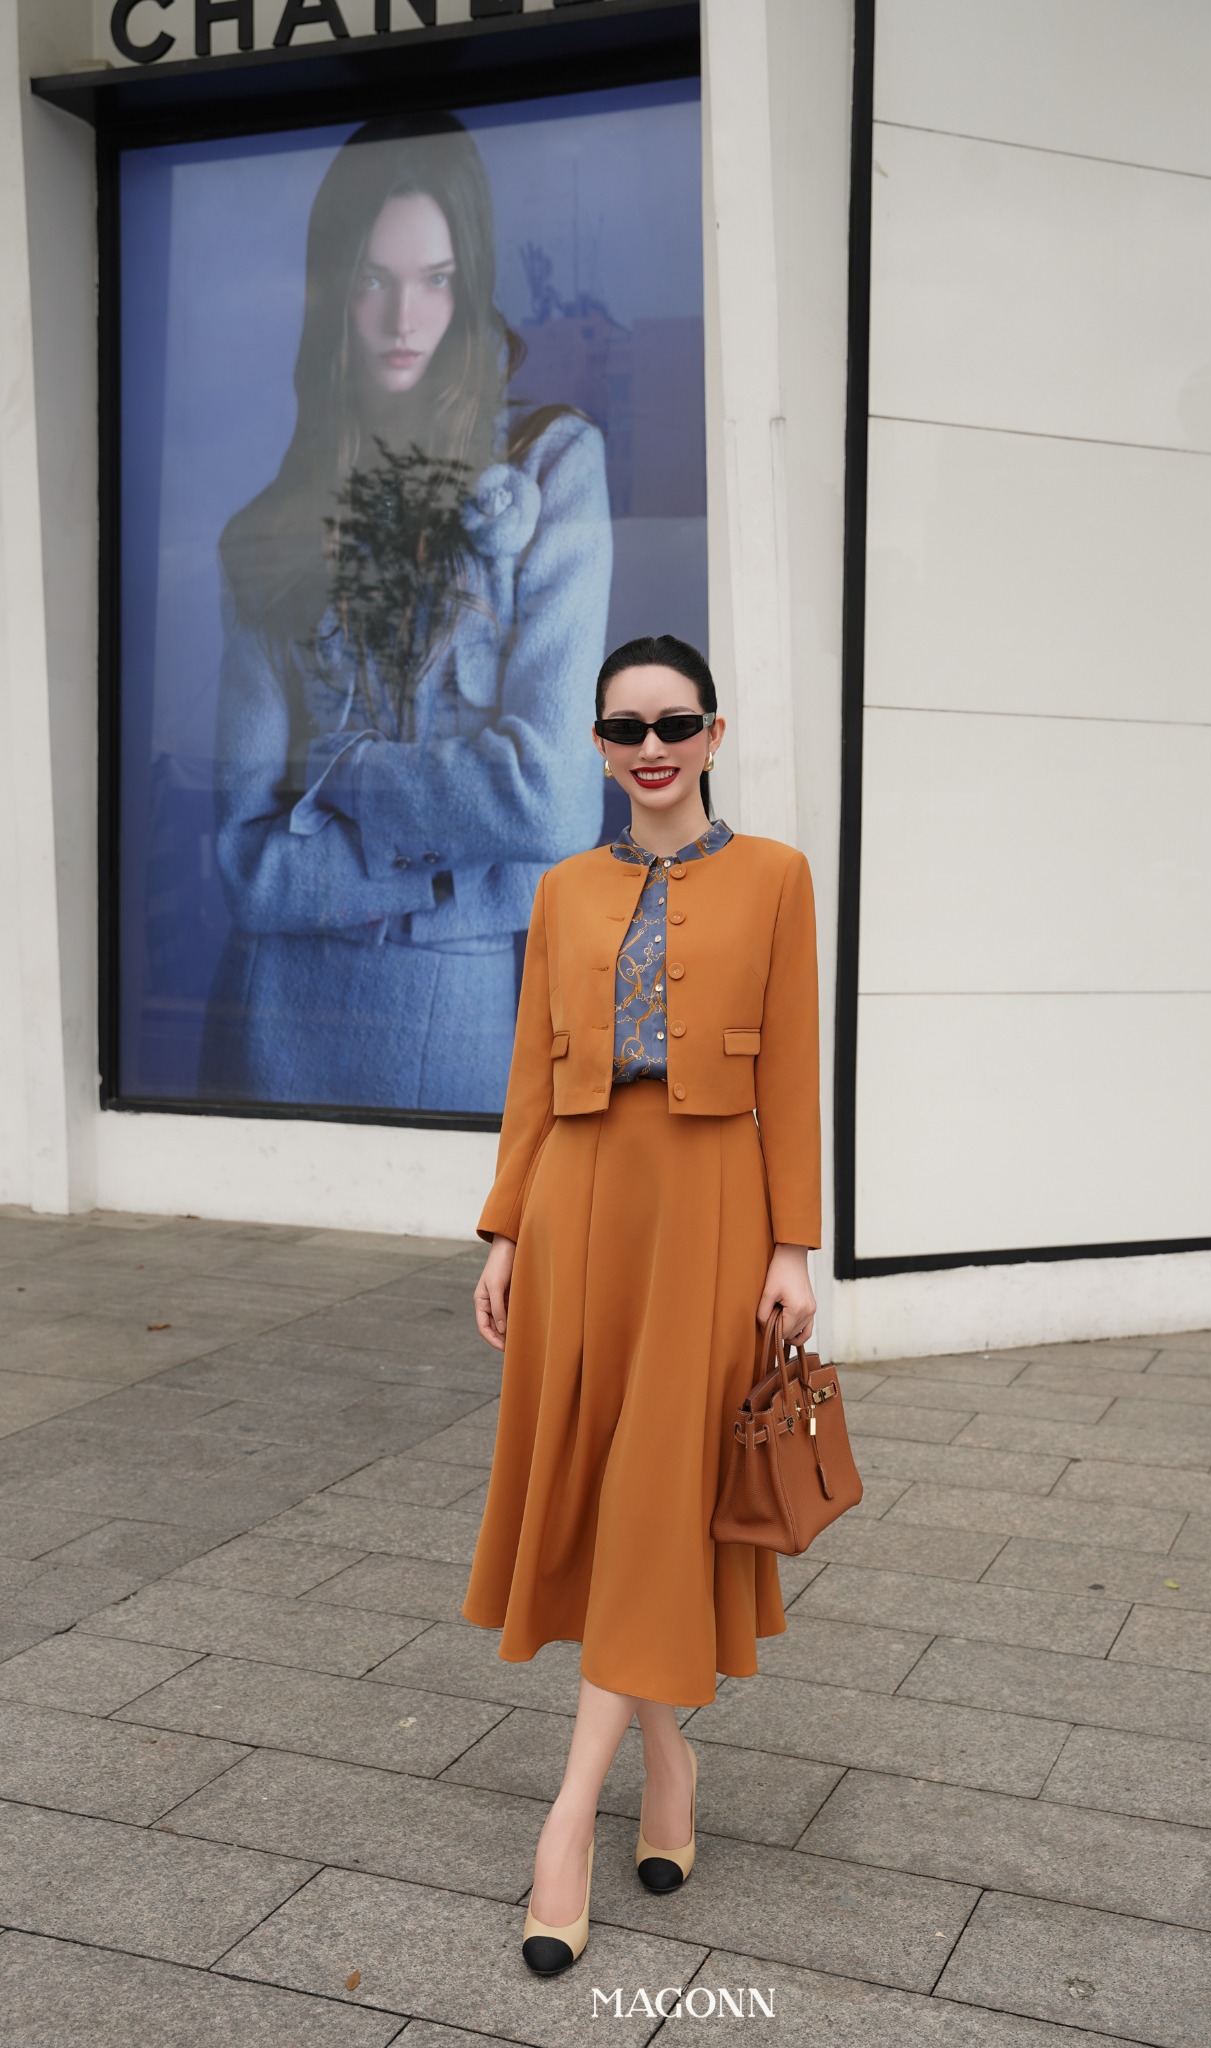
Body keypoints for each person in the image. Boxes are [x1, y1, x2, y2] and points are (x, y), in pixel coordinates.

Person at [461, 632, 820, 1973]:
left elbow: (794, 1068)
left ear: (714, 735)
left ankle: (566, 1821)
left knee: (660, 1488)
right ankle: (668, 1762)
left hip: (714, 1203)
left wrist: (796, 1246)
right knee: (609, 1488)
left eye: (676, 724)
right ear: (601, 746)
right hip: (578, 1205)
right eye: (627, 727)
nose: (652, 747)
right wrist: (505, 1228)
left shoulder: (776, 876)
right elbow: (528, 1070)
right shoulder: (562, 888)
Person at [200, 110, 611, 1113]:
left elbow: (554, 806)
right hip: (271, 1026)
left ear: (470, 284)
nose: (402, 319)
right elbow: (248, 868)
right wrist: (450, 874)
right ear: (332, 291)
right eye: (373, 280)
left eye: (435, 279)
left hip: (456, 1024)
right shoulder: (267, 528)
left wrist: (346, 776)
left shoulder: (552, 465)